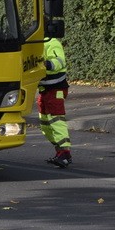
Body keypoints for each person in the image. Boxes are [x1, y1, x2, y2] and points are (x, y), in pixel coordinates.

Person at [37, 36, 72, 168]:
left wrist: (46, 64)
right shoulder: (36, 43)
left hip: (55, 89)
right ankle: (61, 152)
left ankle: (64, 153)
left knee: (57, 121)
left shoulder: (51, 42)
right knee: (45, 124)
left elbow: (60, 62)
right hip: (44, 89)